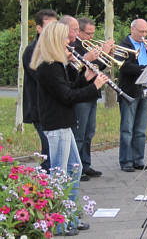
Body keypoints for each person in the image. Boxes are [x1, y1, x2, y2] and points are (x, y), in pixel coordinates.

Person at [30, 21, 108, 235]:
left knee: (75, 169)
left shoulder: (57, 64)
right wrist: (94, 88)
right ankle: (59, 223)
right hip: (56, 125)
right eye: (66, 39)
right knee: (60, 175)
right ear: (56, 40)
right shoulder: (49, 66)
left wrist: (85, 78)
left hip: (63, 123)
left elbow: (69, 90)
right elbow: (67, 97)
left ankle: (70, 217)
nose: (70, 42)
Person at [72, 17, 114, 181]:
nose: (91, 37)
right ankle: (77, 167)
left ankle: (86, 164)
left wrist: (105, 55)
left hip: (92, 92)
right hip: (81, 93)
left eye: (92, 33)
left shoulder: (86, 46)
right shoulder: (75, 46)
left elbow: (96, 67)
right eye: (88, 33)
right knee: (80, 133)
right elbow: (78, 70)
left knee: (89, 132)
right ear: (79, 31)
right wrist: (99, 53)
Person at [117, 19, 147, 172]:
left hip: (146, 89)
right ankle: (126, 161)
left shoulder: (146, 46)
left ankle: (138, 160)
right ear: (132, 29)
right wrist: (144, 69)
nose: (144, 35)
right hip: (130, 90)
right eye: (141, 31)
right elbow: (124, 67)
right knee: (127, 129)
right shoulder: (124, 45)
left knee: (140, 129)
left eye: (146, 31)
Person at [22, 9, 58, 172]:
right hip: (39, 107)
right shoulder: (32, 51)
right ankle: (47, 182)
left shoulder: (55, 48)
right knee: (49, 148)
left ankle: (51, 183)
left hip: (54, 107)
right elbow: (42, 78)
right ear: (39, 29)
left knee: (52, 150)